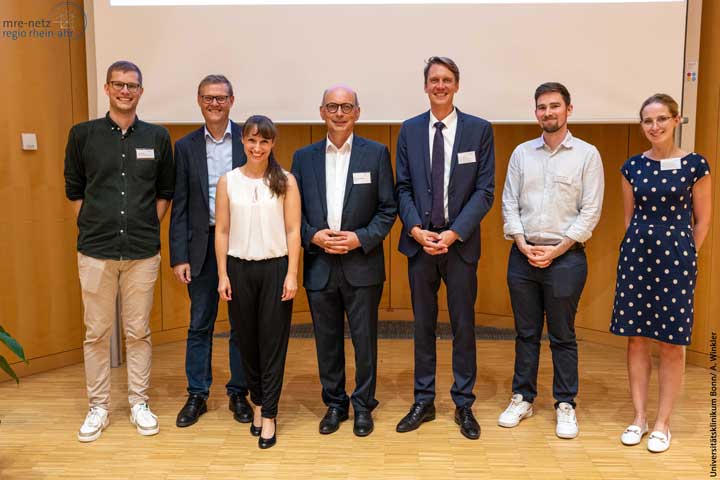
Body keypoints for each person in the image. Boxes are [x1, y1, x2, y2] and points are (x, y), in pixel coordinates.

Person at [64, 60, 174, 442]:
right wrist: (97, 224)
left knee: (138, 332)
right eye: (119, 84)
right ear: (108, 88)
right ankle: (98, 406)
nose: (125, 91)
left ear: (141, 91)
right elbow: (74, 190)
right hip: (95, 250)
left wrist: (143, 226)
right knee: (96, 333)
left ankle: (139, 403)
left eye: (132, 85)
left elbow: (164, 193)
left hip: (142, 251)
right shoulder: (83, 135)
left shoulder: (158, 137)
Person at [395, 57, 495, 440]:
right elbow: (402, 187)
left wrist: (454, 234)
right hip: (420, 244)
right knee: (422, 326)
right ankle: (423, 401)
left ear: (457, 85)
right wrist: (417, 230)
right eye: (434, 80)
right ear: (425, 86)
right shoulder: (409, 130)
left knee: (463, 326)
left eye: (447, 79)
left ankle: (463, 403)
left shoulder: (479, 130)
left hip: (459, 245)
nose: (440, 85)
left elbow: (485, 191)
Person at [499, 82, 604, 440]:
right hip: (523, 255)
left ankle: (565, 404)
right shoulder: (521, 153)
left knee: (562, 335)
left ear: (569, 110)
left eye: (555, 106)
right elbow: (509, 203)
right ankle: (523, 397)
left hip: (566, 259)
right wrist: (523, 244)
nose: (548, 113)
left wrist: (556, 250)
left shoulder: (587, 155)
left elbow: (590, 212)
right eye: (542, 107)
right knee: (526, 333)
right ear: (536, 113)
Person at [291, 86, 396, 437]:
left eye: (346, 106)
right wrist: (312, 236)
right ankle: (335, 404)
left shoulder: (376, 154)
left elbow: (388, 209)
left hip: (362, 265)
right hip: (319, 264)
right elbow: (294, 213)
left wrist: (359, 238)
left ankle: (364, 405)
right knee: (327, 341)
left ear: (357, 112)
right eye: (332, 106)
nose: (339, 112)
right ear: (321, 111)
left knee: (365, 341)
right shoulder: (303, 158)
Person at [610, 94, 711, 453]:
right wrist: (638, 248)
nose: (654, 127)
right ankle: (638, 417)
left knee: (671, 344)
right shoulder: (632, 167)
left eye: (661, 119)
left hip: (677, 263)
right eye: (648, 121)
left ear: (676, 120)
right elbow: (629, 219)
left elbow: (703, 221)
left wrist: (685, 256)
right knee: (636, 339)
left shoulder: (696, 165)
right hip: (637, 259)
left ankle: (662, 423)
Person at [169, 75, 252, 428]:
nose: (214, 104)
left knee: (240, 325)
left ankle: (238, 392)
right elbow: (181, 205)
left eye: (221, 98)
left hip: (242, 245)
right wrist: (179, 256)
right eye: (208, 98)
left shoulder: (250, 139)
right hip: (200, 248)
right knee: (200, 323)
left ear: (232, 100)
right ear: (199, 101)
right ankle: (197, 394)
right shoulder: (185, 146)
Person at [215, 115, 301, 449]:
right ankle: (257, 402)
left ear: (272, 144)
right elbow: (221, 231)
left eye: (264, 141)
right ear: (242, 141)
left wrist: (292, 273)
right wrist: (222, 274)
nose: (257, 147)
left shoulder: (286, 182)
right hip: (238, 270)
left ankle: (270, 415)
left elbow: (293, 231)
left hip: (275, 269)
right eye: (252, 140)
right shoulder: (228, 181)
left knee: (272, 344)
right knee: (247, 343)